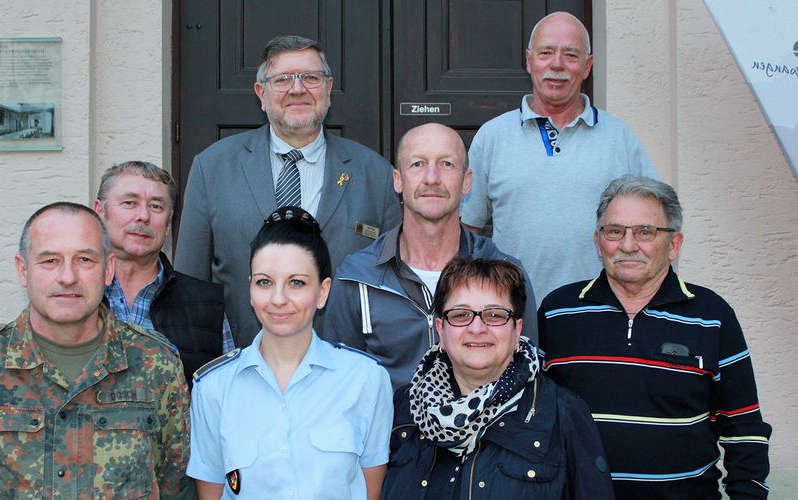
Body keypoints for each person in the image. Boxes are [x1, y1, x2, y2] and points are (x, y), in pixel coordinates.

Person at [0, 202, 193, 498]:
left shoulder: (156, 364)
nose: (67, 277)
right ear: (23, 270)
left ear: (108, 269)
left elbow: (175, 488)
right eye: (49, 261)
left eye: (85, 259)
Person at [539, 176, 772, 498]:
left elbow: (744, 429)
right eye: (615, 231)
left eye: (645, 232)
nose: (628, 245)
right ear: (598, 240)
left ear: (674, 244)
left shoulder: (712, 317)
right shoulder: (557, 313)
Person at [175, 35, 401, 347]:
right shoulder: (212, 168)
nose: (297, 89)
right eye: (282, 79)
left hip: (345, 373)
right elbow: (189, 286)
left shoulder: (374, 173)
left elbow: (392, 287)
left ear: (328, 89)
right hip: (242, 370)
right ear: (261, 94)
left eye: (310, 77)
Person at [187, 206, 393, 499]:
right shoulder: (213, 389)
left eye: (296, 282)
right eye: (264, 282)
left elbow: (371, 491)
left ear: (322, 292)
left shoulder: (366, 380)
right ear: (250, 289)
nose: (278, 299)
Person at [461, 11, 658, 304]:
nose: (557, 64)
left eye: (570, 55)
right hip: (512, 316)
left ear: (587, 66)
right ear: (529, 61)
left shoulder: (620, 139)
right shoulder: (492, 137)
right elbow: (465, 233)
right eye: (546, 53)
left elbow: (654, 227)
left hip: (599, 314)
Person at [324, 123, 537, 390]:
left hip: (487, 430)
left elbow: (528, 377)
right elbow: (339, 388)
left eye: (446, 164)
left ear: (467, 181)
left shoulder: (507, 274)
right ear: (398, 180)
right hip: (388, 431)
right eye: (417, 164)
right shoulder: (356, 277)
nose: (432, 178)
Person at [382, 256, 613, 499]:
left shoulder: (561, 413)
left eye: (494, 315)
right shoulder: (405, 408)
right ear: (441, 329)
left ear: (517, 330)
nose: (477, 328)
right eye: (461, 315)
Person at [94, 161, 231, 388]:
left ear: (168, 224)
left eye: (156, 206)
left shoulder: (207, 306)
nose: (143, 216)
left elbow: (224, 399)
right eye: (130, 203)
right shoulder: (73, 293)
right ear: (100, 211)